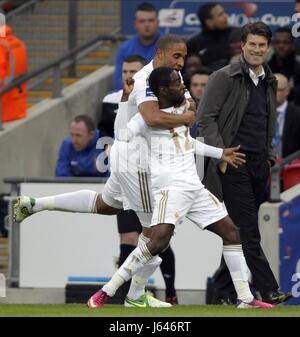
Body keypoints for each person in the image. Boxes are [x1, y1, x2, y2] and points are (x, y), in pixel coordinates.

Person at [14, 35, 197, 309]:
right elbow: (154, 117)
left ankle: (36, 204)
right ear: (159, 53)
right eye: (177, 56)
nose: (181, 63)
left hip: (128, 155)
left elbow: (188, 104)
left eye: (184, 57)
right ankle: (134, 296)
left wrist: (185, 110)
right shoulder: (149, 79)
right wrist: (183, 117)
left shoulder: (168, 77)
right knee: (155, 235)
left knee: (106, 204)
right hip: (140, 163)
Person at [86, 67, 275, 310]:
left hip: (194, 187)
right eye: (177, 83)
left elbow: (186, 142)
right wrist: (124, 124)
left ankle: (245, 299)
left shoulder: (179, 111)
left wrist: (220, 154)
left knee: (231, 233)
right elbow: (121, 136)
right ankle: (106, 291)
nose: (182, 86)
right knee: (156, 244)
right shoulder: (144, 120)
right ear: (163, 90)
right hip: (171, 188)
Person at [197, 22, 292, 305]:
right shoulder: (223, 77)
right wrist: (221, 154)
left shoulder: (270, 79)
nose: (257, 49)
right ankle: (269, 288)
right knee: (249, 229)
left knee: (240, 230)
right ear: (242, 44)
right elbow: (204, 119)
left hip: (259, 164)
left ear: (268, 47)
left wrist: (269, 156)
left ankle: (222, 290)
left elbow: (267, 120)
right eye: (252, 44)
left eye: (262, 45)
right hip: (233, 161)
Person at [99, 54, 179, 305]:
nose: (129, 76)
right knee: (128, 238)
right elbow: (107, 131)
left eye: (133, 71)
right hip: (125, 175)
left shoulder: (150, 97)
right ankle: (127, 295)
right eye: (124, 71)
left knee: (159, 239)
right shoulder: (111, 100)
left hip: (148, 175)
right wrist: (108, 148)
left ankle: (170, 291)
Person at [114, 2, 161, 90]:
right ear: (135, 24)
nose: (147, 25)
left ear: (157, 22)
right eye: (142, 21)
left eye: (151, 20)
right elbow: (118, 81)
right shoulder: (124, 49)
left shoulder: (167, 47)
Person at [187, 3, 235, 72]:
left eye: (224, 13)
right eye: (220, 15)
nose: (226, 16)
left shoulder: (236, 36)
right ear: (209, 22)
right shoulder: (193, 44)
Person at [273, 73, 300, 158]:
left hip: (290, 165)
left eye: (278, 89)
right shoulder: (258, 113)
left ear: (287, 91)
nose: (273, 93)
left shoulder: (297, 115)